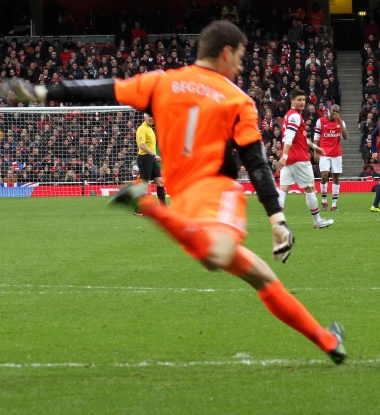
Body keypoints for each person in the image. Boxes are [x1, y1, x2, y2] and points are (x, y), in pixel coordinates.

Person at [1, 20, 346, 364]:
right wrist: (277, 217)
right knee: (217, 254)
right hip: (217, 189)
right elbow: (255, 162)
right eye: (240, 57)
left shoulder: (161, 82)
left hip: (183, 197)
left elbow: (102, 88)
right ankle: (148, 205)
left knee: (261, 277)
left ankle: (327, 340)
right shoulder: (236, 99)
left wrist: (44, 92)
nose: (241, 66)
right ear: (225, 53)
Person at [275, 88, 334, 229]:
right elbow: (289, 137)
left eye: (303, 100)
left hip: (289, 159)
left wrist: (314, 147)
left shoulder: (290, 116)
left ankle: (276, 221)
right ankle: (317, 221)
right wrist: (283, 157)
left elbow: (300, 138)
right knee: (310, 188)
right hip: (299, 158)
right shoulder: (295, 116)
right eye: (299, 100)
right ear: (292, 101)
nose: (302, 102)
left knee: (283, 189)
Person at [314, 105, 348, 212]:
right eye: (334, 111)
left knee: (336, 178)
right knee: (324, 175)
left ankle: (334, 204)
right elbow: (316, 137)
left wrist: (340, 124)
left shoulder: (341, 122)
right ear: (329, 111)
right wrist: (315, 151)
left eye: (338, 111)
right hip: (324, 152)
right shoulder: (321, 121)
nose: (335, 113)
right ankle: (324, 201)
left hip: (336, 154)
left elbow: (346, 137)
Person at [135, 112, 167, 214]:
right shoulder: (142, 129)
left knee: (160, 182)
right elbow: (142, 145)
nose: (152, 118)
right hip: (144, 159)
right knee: (144, 185)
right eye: (149, 116)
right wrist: (154, 155)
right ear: (144, 117)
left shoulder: (150, 128)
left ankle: (163, 208)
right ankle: (138, 209)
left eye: (153, 117)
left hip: (151, 159)